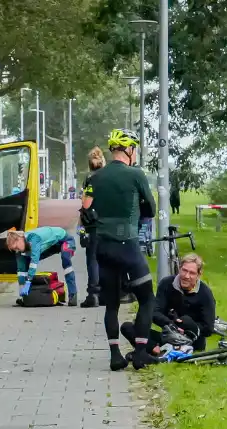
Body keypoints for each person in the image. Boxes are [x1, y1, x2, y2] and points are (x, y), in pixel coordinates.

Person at [82, 128, 158, 371]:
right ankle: (139, 353)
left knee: (112, 304)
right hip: (128, 246)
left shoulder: (95, 178)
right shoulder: (136, 174)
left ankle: (115, 355)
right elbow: (151, 209)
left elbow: (86, 213)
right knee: (147, 298)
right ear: (130, 149)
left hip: (103, 247)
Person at [120, 253, 216, 355]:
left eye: (192, 273)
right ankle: (156, 350)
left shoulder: (205, 293)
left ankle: (156, 352)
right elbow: (155, 312)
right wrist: (171, 324)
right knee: (128, 327)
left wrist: (189, 326)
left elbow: (208, 328)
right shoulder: (166, 283)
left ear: (198, 275)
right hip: (168, 336)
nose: (186, 276)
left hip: (191, 341)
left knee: (188, 323)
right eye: (184, 270)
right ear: (179, 268)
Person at [6, 227, 79, 306]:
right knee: (24, 262)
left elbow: (34, 262)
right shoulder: (20, 250)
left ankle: (73, 294)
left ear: (20, 238)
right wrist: (22, 292)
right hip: (50, 246)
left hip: (64, 240)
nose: (17, 250)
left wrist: (28, 281)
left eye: (16, 247)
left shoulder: (33, 238)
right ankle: (25, 297)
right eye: (14, 249)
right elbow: (21, 270)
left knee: (66, 261)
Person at [77, 147, 106, 308]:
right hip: (110, 222)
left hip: (94, 224)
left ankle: (93, 294)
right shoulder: (109, 176)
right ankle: (106, 294)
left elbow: (86, 203)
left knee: (93, 259)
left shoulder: (90, 178)